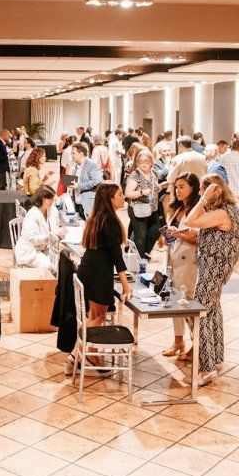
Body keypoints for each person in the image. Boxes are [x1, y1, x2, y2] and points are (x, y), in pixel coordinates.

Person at [181, 174, 239, 386]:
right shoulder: (226, 210)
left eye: (203, 190)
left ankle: (207, 368)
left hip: (214, 267)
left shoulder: (223, 212)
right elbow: (208, 234)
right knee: (212, 309)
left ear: (214, 191)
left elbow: (190, 220)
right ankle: (215, 359)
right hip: (216, 266)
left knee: (199, 313)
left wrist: (203, 199)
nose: (199, 193)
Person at [71, 183, 133, 374]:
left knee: (93, 317)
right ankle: (80, 356)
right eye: (120, 194)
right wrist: (126, 286)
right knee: (97, 318)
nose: (123, 197)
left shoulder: (96, 217)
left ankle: (86, 355)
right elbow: (117, 257)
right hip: (98, 274)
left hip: (89, 270)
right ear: (110, 199)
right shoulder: (110, 221)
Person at [161, 173, 201, 359]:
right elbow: (172, 232)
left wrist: (177, 234)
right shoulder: (175, 208)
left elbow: (198, 239)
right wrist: (167, 236)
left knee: (188, 301)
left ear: (192, 188)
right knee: (174, 301)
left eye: (182, 186)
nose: (178, 190)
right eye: (176, 187)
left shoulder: (198, 210)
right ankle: (178, 340)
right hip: (172, 258)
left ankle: (196, 343)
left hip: (188, 260)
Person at [125, 149, 161, 257]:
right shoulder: (135, 175)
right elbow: (128, 193)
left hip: (152, 208)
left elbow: (153, 188)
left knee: (155, 231)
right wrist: (141, 192)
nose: (143, 164)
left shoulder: (154, 173)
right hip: (138, 209)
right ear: (137, 162)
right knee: (141, 236)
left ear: (151, 162)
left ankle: (143, 254)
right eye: (140, 161)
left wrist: (159, 187)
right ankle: (140, 260)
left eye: (146, 161)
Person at [15, 186, 59, 269]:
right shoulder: (32, 215)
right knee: (48, 265)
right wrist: (53, 235)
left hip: (44, 248)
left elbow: (55, 230)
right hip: (30, 251)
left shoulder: (52, 210)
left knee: (61, 261)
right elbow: (33, 239)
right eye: (51, 199)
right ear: (43, 199)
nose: (53, 201)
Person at [71, 143, 103, 216]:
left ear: (81, 154)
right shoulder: (76, 166)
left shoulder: (91, 164)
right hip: (78, 203)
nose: (72, 156)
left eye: (73, 153)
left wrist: (79, 185)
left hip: (88, 204)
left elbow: (96, 181)